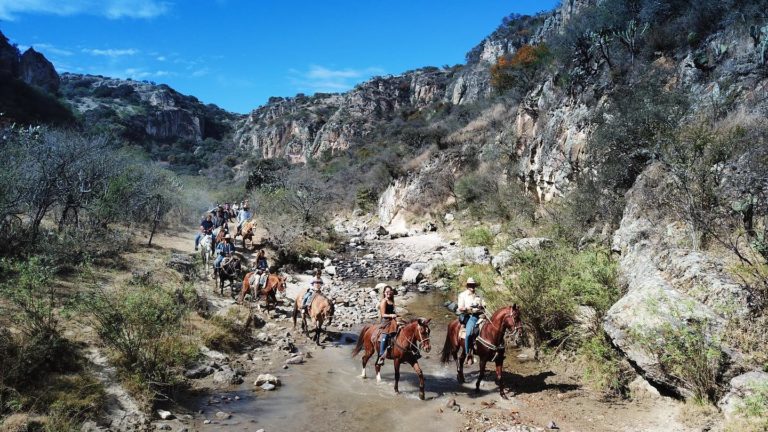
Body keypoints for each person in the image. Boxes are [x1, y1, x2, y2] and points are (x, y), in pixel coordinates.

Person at [457, 277, 485, 364]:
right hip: (468, 316)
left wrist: (481, 306)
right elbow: (460, 308)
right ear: (467, 286)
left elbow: (484, 304)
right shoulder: (462, 295)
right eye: (470, 285)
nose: (472, 287)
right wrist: (468, 308)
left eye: (473, 285)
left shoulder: (479, 294)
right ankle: (468, 354)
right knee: (469, 333)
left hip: (480, 315)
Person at [375, 285, 398, 366]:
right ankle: (381, 356)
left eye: (390, 291)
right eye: (387, 292)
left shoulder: (391, 301)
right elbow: (383, 314)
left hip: (393, 321)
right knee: (385, 336)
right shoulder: (384, 301)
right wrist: (391, 315)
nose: (389, 293)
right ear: (384, 293)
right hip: (386, 322)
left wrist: (397, 316)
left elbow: (394, 311)